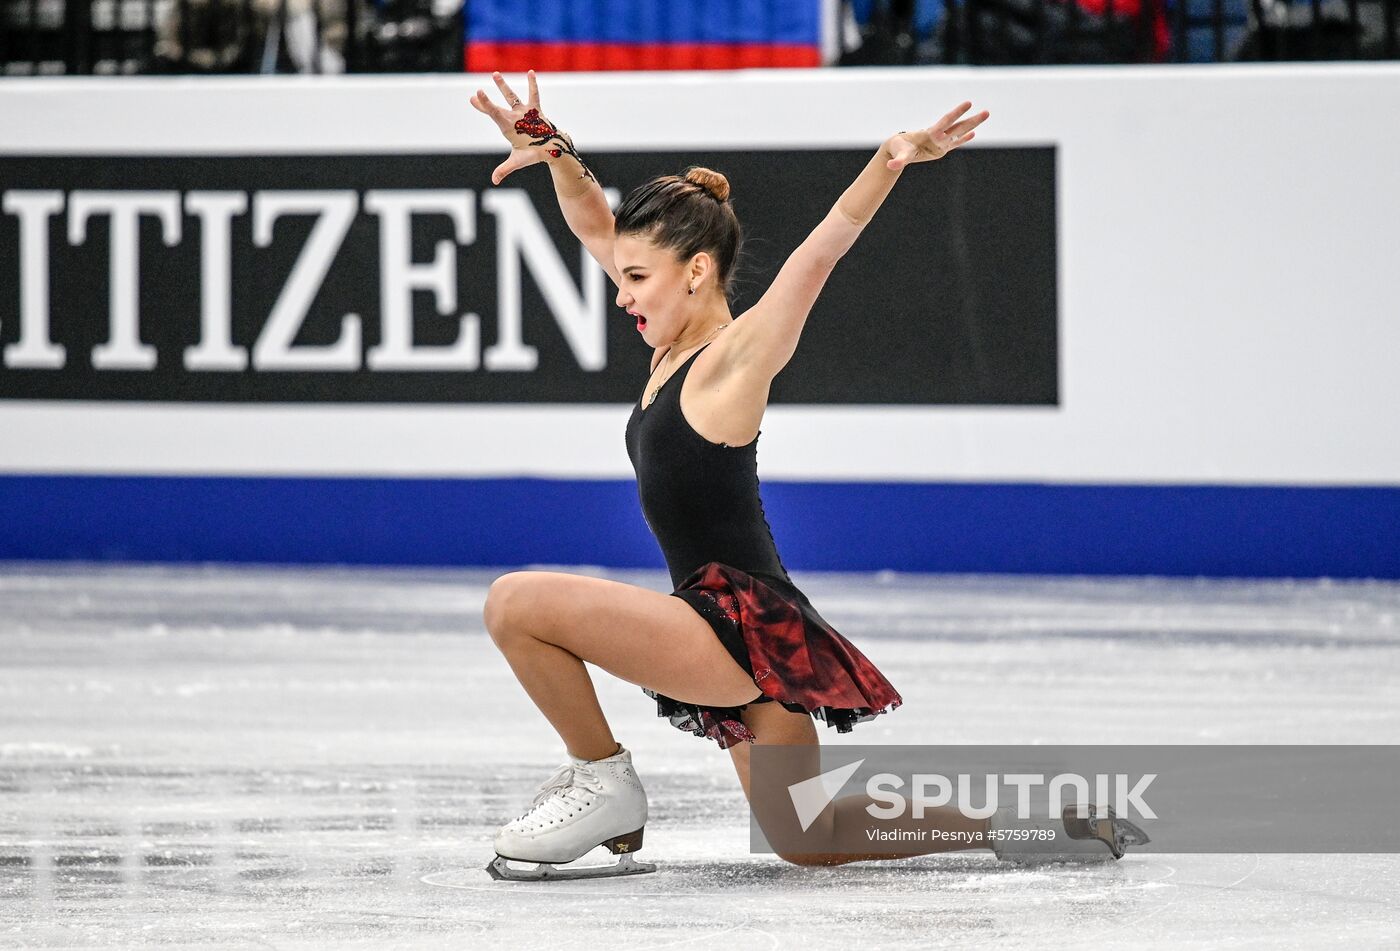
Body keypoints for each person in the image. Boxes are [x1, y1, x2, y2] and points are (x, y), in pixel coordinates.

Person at [471, 72, 1144, 880]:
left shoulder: (735, 359)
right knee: (809, 834)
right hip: (746, 633)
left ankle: (603, 780)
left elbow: (822, 246)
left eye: (637, 278)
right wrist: (558, 156)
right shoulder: (667, 349)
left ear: (695, 271)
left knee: (516, 601)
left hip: (730, 622)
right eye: (621, 276)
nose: (621, 292)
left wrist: (890, 161)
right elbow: (593, 222)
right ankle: (1038, 826)